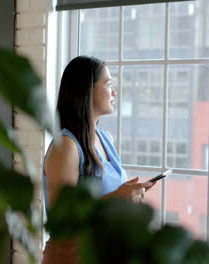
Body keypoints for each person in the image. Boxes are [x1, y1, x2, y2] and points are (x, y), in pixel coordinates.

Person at [41, 56, 155, 264]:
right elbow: (62, 222)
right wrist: (116, 199)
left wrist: (128, 197)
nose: (114, 92)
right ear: (86, 89)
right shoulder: (66, 146)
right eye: (108, 84)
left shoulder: (105, 139)